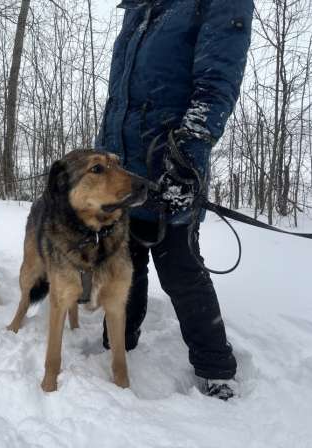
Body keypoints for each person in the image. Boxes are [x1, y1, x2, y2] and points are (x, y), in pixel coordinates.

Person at [96, 0, 254, 400]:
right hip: (121, 173)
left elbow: (216, 85)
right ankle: (118, 340)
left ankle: (215, 367)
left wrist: (187, 158)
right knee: (120, 262)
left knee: (181, 269)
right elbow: (120, 99)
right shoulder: (138, 10)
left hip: (170, 166)